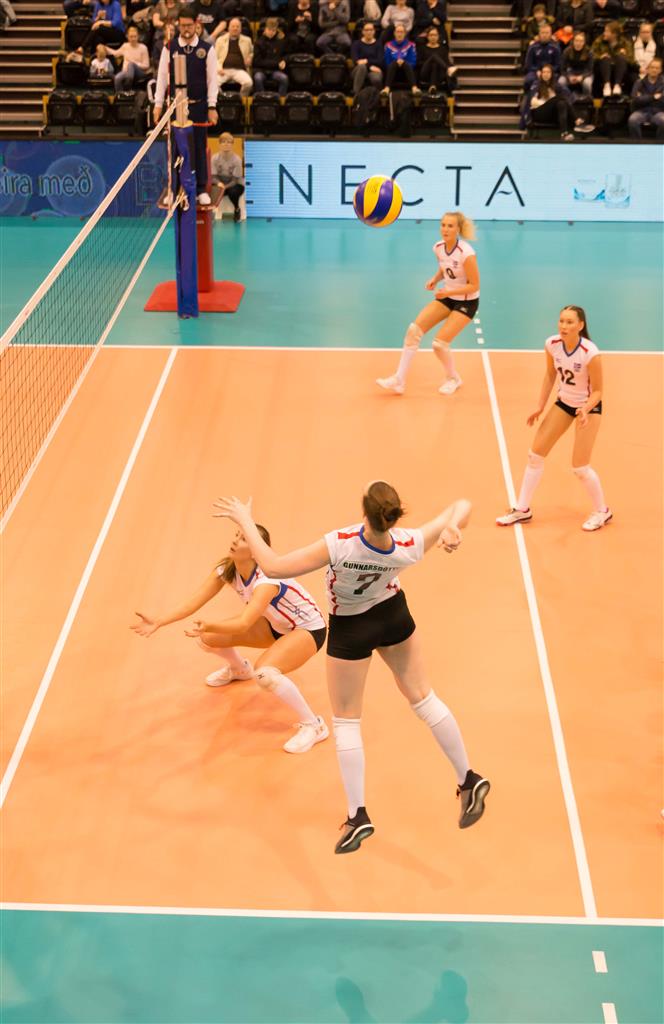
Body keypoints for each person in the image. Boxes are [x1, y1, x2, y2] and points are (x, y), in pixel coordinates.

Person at [212, 483, 490, 853]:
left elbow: (274, 566)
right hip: (393, 615)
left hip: (352, 628)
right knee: (424, 699)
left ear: (365, 513)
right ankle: (468, 778)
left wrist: (245, 520)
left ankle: (358, 815)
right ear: (395, 516)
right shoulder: (409, 543)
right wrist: (452, 525)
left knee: (346, 721)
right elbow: (462, 503)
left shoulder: (340, 543)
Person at [131, 523, 329, 754]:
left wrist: (211, 624)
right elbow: (194, 601)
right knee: (208, 638)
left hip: (307, 629)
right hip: (275, 625)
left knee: (265, 674)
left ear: (255, 550)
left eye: (243, 539)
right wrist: (159, 620)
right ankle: (239, 669)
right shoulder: (228, 569)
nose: (235, 540)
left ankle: (314, 725)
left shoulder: (266, 581)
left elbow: (244, 622)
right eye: (236, 535)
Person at [496, 305, 612, 532]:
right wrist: (540, 406)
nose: (563, 326)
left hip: (588, 408)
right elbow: (550, 374)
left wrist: (585, 409)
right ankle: (522, 509)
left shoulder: (590, 352)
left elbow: (598, 391)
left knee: (580, 468)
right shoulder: (552, 344)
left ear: (580, 325)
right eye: (561, 321)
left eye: (569, 322)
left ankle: (602, 511)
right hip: (564, 403)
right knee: (535, 455)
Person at [376, 211, 479, 397]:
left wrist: (448, 291)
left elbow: (475, 285)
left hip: (467, 301)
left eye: (450, 226)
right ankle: (399, 380)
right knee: (413, 331)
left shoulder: (466, 253)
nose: (445, 229)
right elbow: (444, 267)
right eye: (443, 225)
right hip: (447, 297)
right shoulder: (438, 247)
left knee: (439, 344)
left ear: (458, 229)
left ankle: (453, 378)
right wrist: (435, 279)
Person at [154, 7, 219, 205]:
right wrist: (158, 105)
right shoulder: (169, 47)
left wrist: (212, 106)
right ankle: (173, 189)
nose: (186, 29)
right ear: (178, 25)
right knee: (175, 148)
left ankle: (201, 189)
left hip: (198, 107)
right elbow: (162, 78)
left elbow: (213, 80)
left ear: (196, 24)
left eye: (189, 25)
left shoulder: (207, 49)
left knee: (199, 147)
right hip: (176, 108)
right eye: (182, 26)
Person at [521, 62, 576, 138]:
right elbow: (533, 102)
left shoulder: (557, 86)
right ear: (541, 74)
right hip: (539, 114)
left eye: (548, 72)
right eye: (544, 72)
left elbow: (570, 97)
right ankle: (576, 119)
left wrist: (553, 102)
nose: (546, 74)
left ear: (552, 74)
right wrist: (548, 102)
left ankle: (564, 134)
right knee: (559, 98)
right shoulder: (536, 84)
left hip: (552, 115)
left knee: (561, 103)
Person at [591, 20, 634, 97]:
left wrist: (625, 55)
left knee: (621, 57)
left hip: (620, 70)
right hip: (602, 70)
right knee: (605, 58)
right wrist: (599, 57)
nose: (604, 33)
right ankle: (606, 85)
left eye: (607, 31)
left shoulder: (625, 43)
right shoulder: (599, 41)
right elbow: (591, 55)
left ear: (614, 34)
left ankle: (617, 85)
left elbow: (632, 60)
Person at [211, 131, 245, 219]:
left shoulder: (237, 159)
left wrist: (224, 187)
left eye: (229, 142)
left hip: (234, 184)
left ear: (232, 145)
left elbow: (235, 180)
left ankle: (237, 209)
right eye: (223, 142)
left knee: (233, 192)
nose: (226, 144)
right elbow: (213, 177)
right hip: (220, 183)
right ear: (219, 144)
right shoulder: (214, 158)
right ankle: (212, 210)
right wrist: (219, 184)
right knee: (209, 190)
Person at [215, 16, 253, 95]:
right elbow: (215, 57)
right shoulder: (220, 40)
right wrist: (218, 68)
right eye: (233, 26)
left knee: (248, 83)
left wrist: (250, 57)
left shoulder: (247, 40)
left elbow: (252, 53)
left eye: (237, 26)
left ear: (241, 29)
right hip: (223, 70)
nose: (235, 28)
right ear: (228, 28)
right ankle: (222, 98)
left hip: (240, 70)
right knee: (213, 84)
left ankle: (241, 99)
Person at [106, 25, 151, 90]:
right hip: (126, 72)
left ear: (138, 37)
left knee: (131, 65)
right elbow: (115, 53)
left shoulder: (143, 48)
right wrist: (105, 48)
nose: (133, 39)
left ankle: (127, 88)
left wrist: (134, 63)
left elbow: (146, 65)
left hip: (139, 72)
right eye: (131, 37)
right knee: (117, 78)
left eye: (135, 36)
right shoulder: (125, 46)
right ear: (128, 37)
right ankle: (120, 94)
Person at [628, 57, 664, 138]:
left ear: (660, 70)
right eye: (652, 67)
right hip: (642, 111)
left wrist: (643, 97)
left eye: (657, 68)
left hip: (658, 112)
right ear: (648, 69)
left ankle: (660, 143)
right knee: (632, 120)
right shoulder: (639, 83)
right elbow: (635, 100)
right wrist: (653, 97)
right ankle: (637, 143)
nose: (654, 70)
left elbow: (662, 100)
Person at [253, 17, 289, 96]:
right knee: (258, 78)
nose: (271, 32)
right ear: (265, 29)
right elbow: (257, 62)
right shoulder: (258, 42)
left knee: (284, 78)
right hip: (261, 70)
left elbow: (285, 54)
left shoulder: (280, 42)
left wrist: (284, 61)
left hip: (275, 71)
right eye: (269, 30)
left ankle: (280, 100)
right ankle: (262, 99)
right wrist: (276, 64)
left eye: (273, 30)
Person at [381, 22, 420, 94]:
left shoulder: (411, 45)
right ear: (394, 33)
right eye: (398, 32)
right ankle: (386, 88)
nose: (399, 34)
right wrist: (396, 62)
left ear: (405, 34)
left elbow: (413, 62)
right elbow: (387, 62)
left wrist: (403, 62)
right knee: (394, 64)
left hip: (407, 72)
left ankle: (414, 88)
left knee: (406, 64)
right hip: (392, 72)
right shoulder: (388, 45)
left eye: (401, 32)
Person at [417, 24, 455, 93]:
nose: (433, 37)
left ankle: (432, 86)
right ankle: (448, 69)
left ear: (438, 36)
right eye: (431, 35)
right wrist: (428, 62)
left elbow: (447, 61)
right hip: (425, 73)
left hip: (439, 74)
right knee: (433, 57)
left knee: (435, 64)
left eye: (435, 35)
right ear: (427, 36)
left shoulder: (443, 49)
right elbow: (418, 63)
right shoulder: (422, 48)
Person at [350, 20, 384, 96]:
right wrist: (369, 66)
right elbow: (356, 60)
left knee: (376, 78)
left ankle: (377, 97)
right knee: (362, 67)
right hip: (358, 70)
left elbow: (380, 60)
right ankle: (356, 94)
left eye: (371, 30)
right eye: (366, 30)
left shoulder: (378, 44)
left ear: (374, 31)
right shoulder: (356, 44)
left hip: (374, 69)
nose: (369, 32)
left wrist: (367, 61)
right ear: (363, 32)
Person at [524, 23, 561, 87]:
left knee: (558, 81)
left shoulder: (555, 47)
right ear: (539, 34)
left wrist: (548, 72)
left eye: (547, 33)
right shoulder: (533, 47)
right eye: (543, 33)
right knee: (528, 80)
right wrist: (537, 71)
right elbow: (528, 65)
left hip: (551, 72)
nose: (544, 35)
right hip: (535, 72)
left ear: (551, 34)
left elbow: (557, 65)